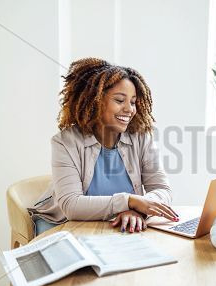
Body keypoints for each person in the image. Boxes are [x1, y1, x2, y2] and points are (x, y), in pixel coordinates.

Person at [28, 57, 178, 236]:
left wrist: (138, 210)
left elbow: (163, 189)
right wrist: (129, 201)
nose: (130, 109)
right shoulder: (65, 142)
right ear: (96, 101)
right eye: (120, 100)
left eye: (132, 102)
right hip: (65, 223)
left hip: (114, 224)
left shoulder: (141, 137)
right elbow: (71, 205)